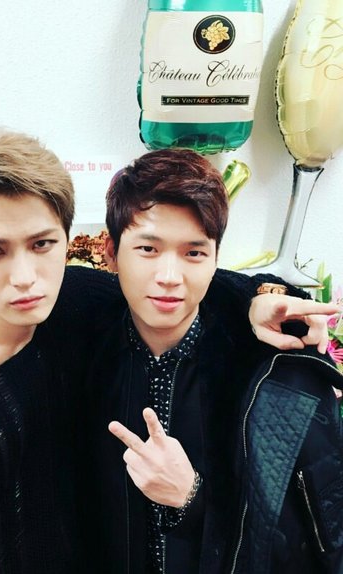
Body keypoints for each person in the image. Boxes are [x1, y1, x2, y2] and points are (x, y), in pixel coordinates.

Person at [0, 128, 338, 574]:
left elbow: (177, 283)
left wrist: (261, 295)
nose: (25, 277)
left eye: (42, 244)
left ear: (69, 240)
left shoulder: (73, 301)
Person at [82, 148, 343, 574]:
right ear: (110, 253)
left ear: (217, 257)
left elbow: (312, 541)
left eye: (194, 253)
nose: (170, 277)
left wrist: (192, 498)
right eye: (147, 248)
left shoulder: (272, 372)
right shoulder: (77, 350)